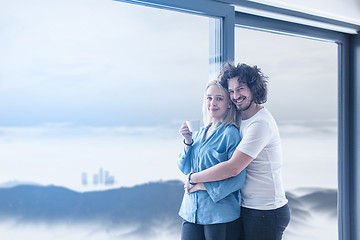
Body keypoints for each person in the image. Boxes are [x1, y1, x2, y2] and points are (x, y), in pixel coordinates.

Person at [187, 62, 290, 240]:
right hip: (247, 206)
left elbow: (233, 168)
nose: (235, 96)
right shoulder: (240, 118)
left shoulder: (260, 124)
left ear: (254, 89)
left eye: (240, 89)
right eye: (231, 91)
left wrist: (193, 178)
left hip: (266, 211)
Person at [178, 80, 246, 240]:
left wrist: (203, 186)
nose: (213, 103)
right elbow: (185, 168)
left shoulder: (231, 134)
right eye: (209, 98)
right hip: (190, 211)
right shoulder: (200, 132)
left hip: (219, 215)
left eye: (219, 98)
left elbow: (238, 177)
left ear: (229, 104)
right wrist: (188, 141)